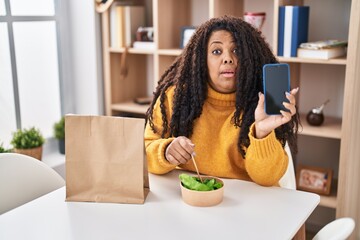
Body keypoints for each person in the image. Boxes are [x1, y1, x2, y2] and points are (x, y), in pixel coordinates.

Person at [144, 15, 300, 187]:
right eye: (216, 51)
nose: (227, 58)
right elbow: (145, 151)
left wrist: (262, 133)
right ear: (202, 59)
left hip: (247, 205)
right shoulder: (176, 97)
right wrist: (166, 151)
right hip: (191, 201)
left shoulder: (263, 103)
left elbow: (267, 178)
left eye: (237, 50)